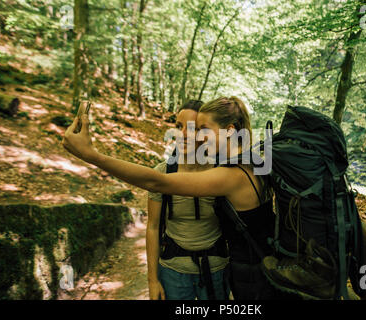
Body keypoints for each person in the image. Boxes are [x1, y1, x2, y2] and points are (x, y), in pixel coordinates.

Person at [62, 96, 278, 299]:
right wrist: (153, 279)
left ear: (230, 131)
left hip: (247, 274)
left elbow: (157, 182)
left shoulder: (229, 174)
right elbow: (155, 220)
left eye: (202, 129)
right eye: (180, 126)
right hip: (251, 268)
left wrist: (92, 155)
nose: (193, 135)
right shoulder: (252, 161)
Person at [146, 100, 229, 300]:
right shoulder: (163, 173)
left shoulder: (223, 173)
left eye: (191, 128)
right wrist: (152, 280)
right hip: (173, 271)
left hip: (216, 269)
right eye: (178, 126)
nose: (181, 134)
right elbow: (153, 227)